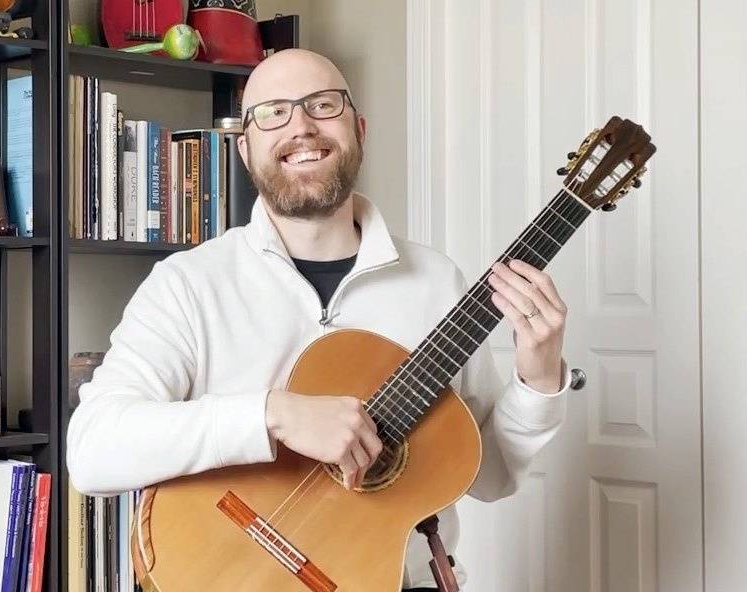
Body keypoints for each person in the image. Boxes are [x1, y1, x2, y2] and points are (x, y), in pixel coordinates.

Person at [66, 48, 571, 590]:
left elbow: (487, 474)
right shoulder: (188, 284)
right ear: (245, 148)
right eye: (273, 113)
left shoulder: (439, 282)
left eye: (322, 105)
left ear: (358, 128)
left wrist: (538, 379)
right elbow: (94, 450)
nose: (301, 127)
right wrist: (272, 416)